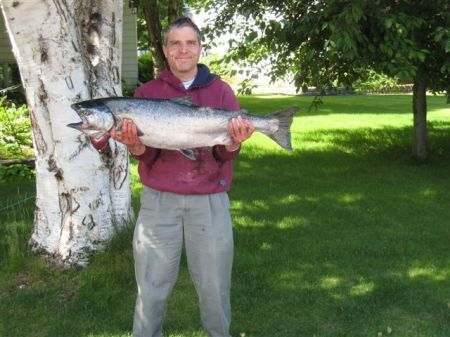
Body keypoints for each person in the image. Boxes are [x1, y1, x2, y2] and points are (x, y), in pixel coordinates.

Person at [109, 17, 254, 337]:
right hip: (158, 204)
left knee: (215, 288)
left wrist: (233, 142)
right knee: (151, 286)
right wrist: (134, 145)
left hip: (209, 202)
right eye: (175, 43)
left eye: (190, 43)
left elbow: (224, 155)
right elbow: (148, 155)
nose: (183, 50)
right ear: (165, 49)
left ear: (200, 48)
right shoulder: (147, 93)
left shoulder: (221, 92)